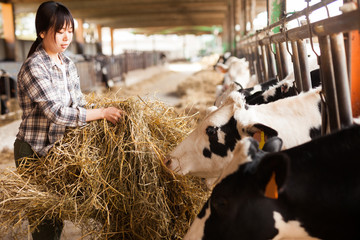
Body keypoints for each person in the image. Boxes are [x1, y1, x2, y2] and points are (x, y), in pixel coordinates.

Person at [14, 1, 123, 239]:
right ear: (42, 32)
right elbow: (57, 113)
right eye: (59, 32)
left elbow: (79, 106)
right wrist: (102, 112)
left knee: (59, 217)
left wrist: (106, 113)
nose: (66, 38)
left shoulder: (68, 64)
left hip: (58, 151)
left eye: (69, 32)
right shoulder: (34, 66)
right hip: (34, 151)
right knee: (45, 223)